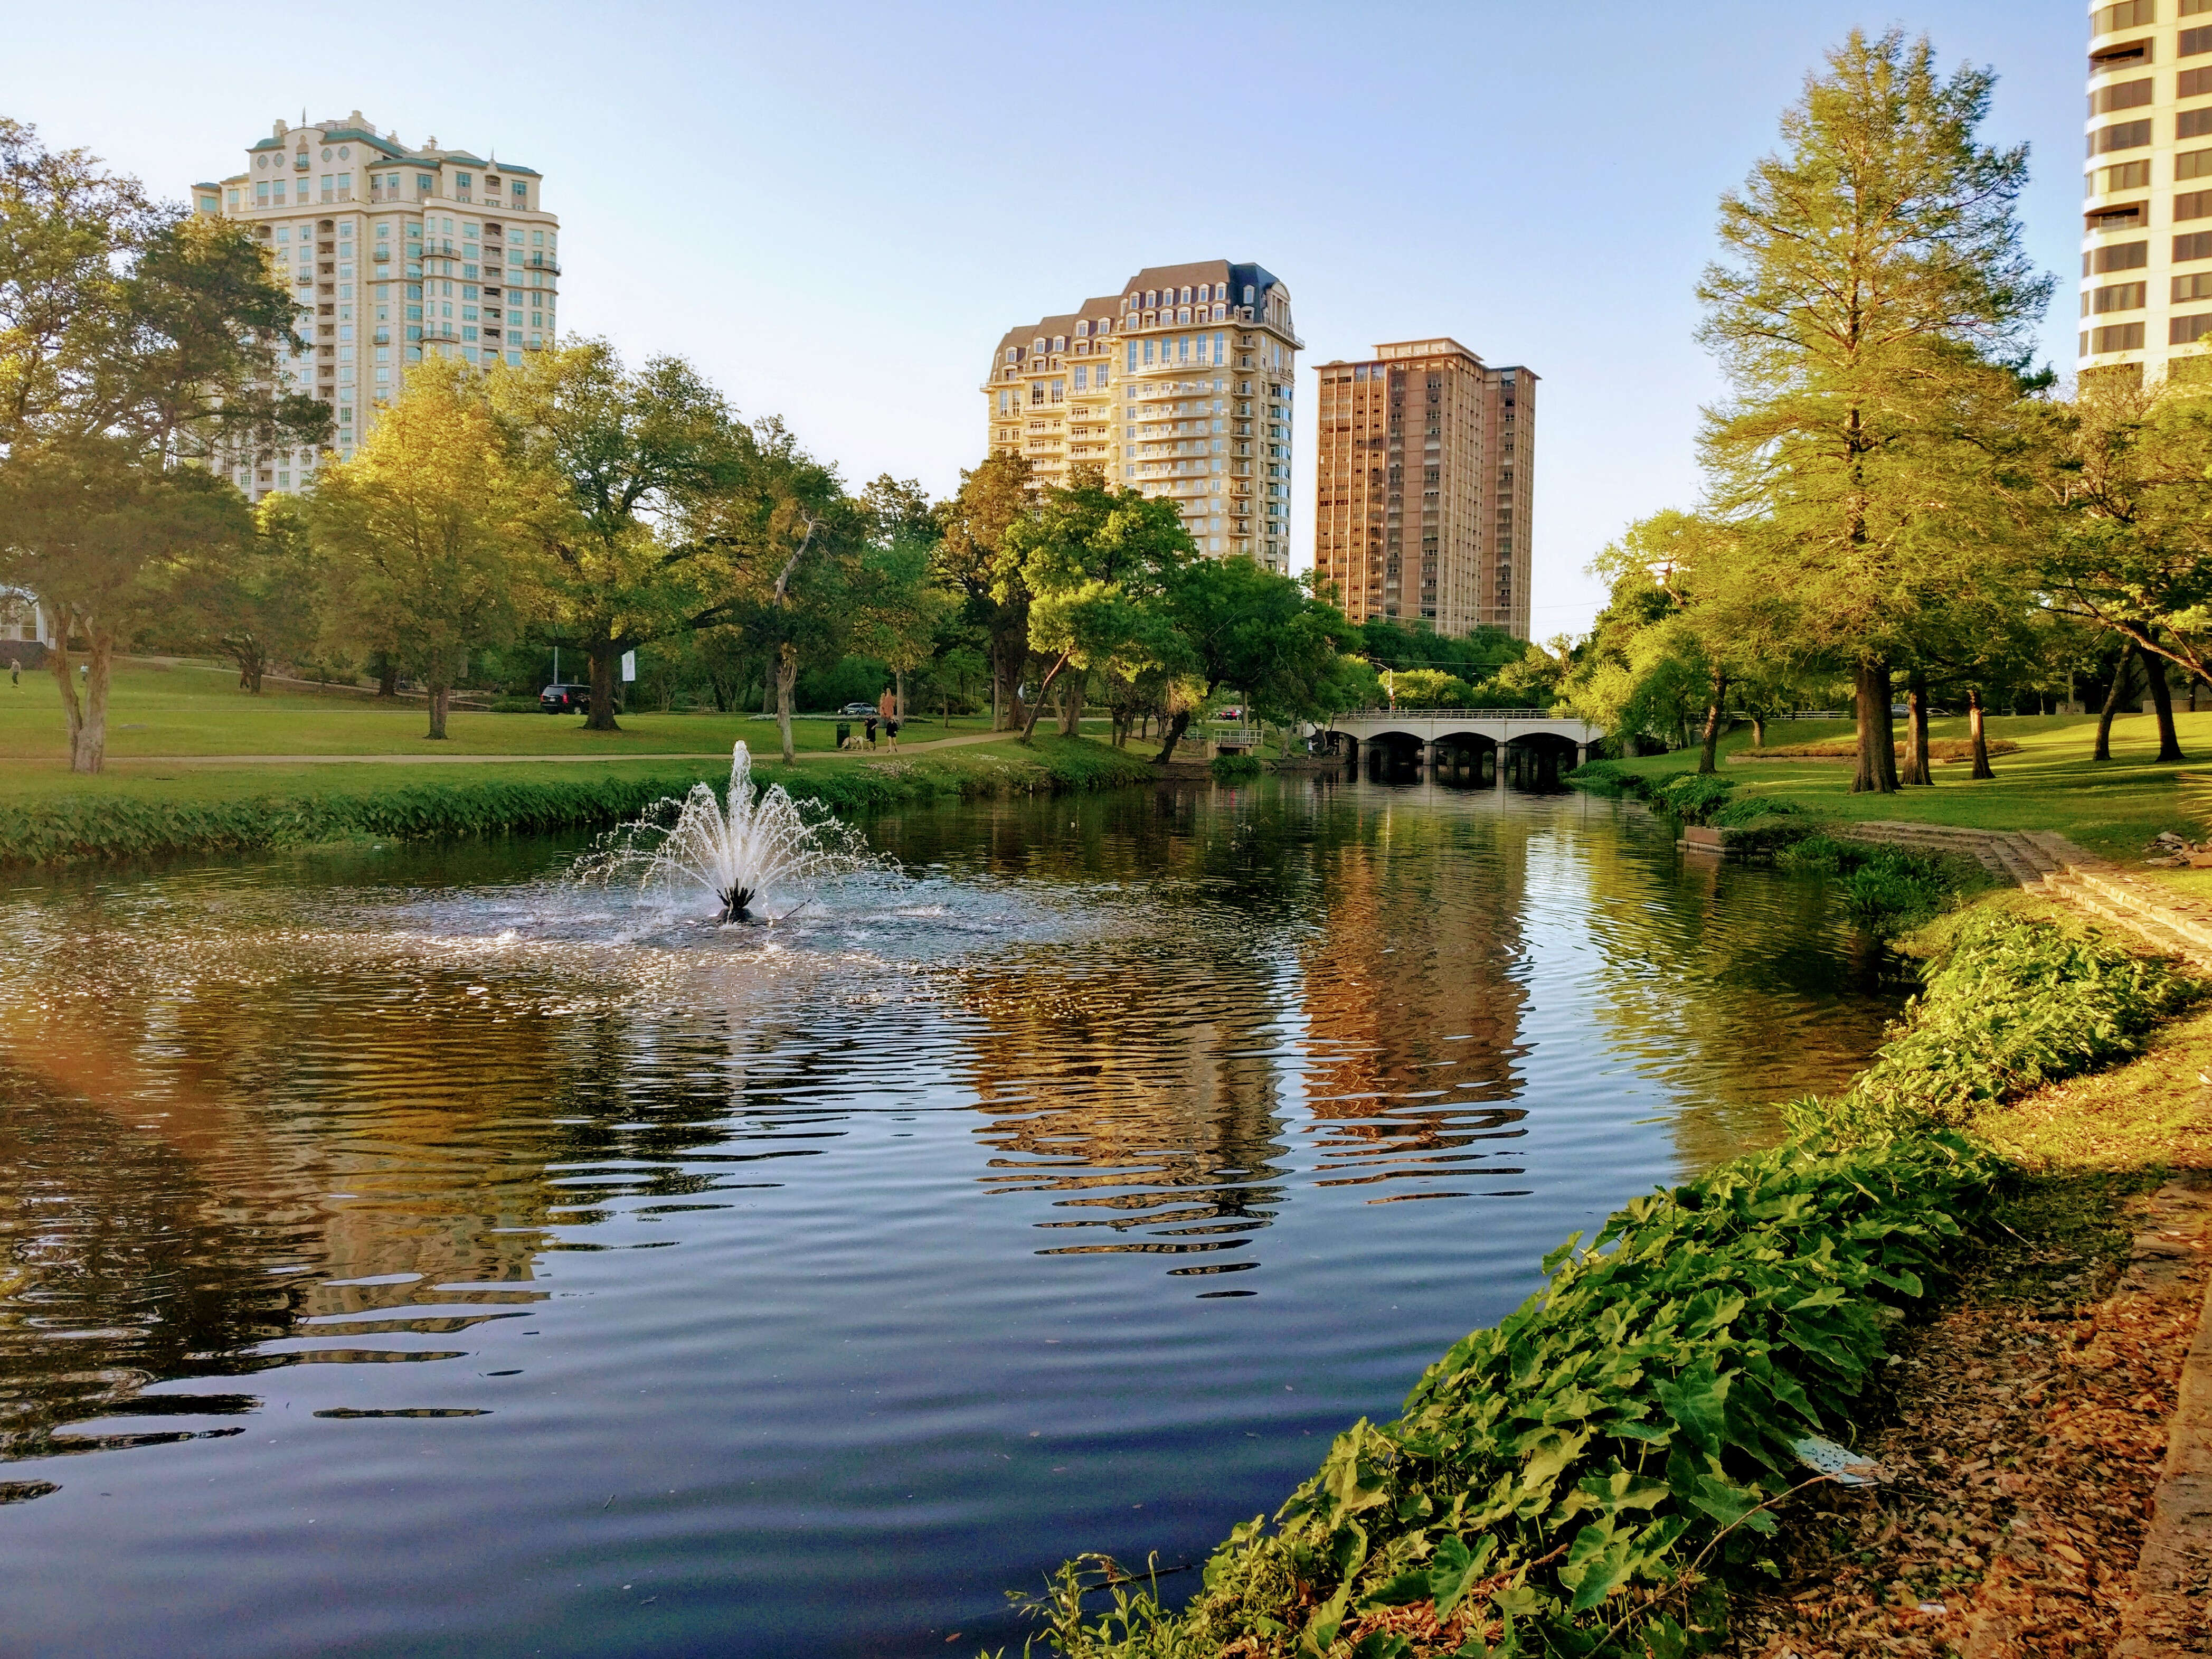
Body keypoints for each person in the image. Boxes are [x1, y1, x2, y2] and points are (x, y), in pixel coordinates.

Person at [878, 684, 900, 751]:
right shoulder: (890, 698)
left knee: (894, 742)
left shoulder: (887, 699)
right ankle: (890, 750)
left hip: (893, 732)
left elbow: (884, 705)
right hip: (889, 732)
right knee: (890, 741)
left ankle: (895, 748)